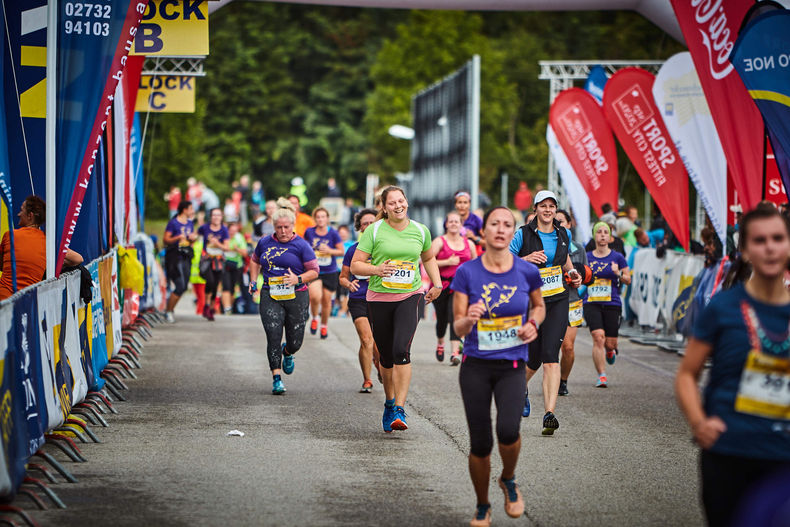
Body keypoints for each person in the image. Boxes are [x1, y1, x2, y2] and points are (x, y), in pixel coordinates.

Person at [675, 205, 790, 527]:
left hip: (783, 456)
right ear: (745, 250)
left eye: (778, 238)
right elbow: (686, 374)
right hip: (729, 451)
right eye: (760, 240)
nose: (770, 248)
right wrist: (699, 423)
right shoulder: (723, 308)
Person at [452, 206, 545, 527]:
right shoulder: (467, 273)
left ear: (512, 232)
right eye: (495, 223)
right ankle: (482, 505)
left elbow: (539, 306)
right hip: (476, 366)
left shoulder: (526, 272)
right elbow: (458, 327)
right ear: (485, 231)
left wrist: (533, 324)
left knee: (508, 431)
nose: (501, 229)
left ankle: (508, 478)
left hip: (512, 365)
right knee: (480, 443)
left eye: (507, 224)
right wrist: (469, 319)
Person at [351, 185, 442, 432]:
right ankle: (390, 403)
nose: (398, 206)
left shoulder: (420, 230)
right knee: (386, 357)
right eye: (392, 203)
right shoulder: (374, 230)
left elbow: (428, 258)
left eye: (401, 201)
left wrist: (437, 284)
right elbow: (356, 265)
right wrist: (377, 269)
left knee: (401, 349)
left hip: (410, 296)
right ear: (384, 207)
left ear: (406, 202)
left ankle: (400, 409)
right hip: (379, 298)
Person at [509, 190, 581, 435]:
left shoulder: (563, 233)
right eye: (543, 206)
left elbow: (565, 260)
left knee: (551, 355)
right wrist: (527, 258)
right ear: (536, 209)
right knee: (533, 358)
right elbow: (505, 261)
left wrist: (573, 273)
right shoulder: (523, 234)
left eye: (552, 206)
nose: (548, 210)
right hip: (530, 301)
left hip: (558, 299)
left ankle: (549, 413)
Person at [248, 198, 319, 394]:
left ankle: (288, 352)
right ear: (274, 227)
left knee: (295, 342)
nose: (283, 231)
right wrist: (253, 281)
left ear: (293, 226)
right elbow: (254, 261)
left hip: (296, 295)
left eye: (286, 227)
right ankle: (276, 378)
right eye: (279, 227)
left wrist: (298, 279)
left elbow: (314, 271)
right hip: (270, 294)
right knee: (273, 336)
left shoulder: (301, 245)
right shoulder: (264, 242)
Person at [0, 196, 83, 300]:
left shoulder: (9, 235)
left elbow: (2, 264)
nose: (18, 214)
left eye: (21, 210)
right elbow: (78, 259)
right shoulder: (48, 242)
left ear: (30, 216)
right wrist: (53, 264)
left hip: (4, 298)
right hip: (29, 302)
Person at [584, 222, 630, 387]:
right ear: (594, 236)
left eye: (605, 232)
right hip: (591, 302)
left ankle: (610, 350)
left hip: (612, 303)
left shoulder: (618, 257)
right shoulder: (586, 257)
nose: (602, 235)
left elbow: (628, 279)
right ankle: (601, 375)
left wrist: (618, 273)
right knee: (598, 337)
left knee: (610, 343)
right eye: (599, 232)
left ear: (610, 237)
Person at [339, 209, 380, 393]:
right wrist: (349, 284)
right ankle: (367, 380)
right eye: (365, 223)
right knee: (366, 339)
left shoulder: (384, 248)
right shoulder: (353, 250)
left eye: (372, 222)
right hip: (359, 299)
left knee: (378, 345)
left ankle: (379, 364)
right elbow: (342, 277)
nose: (369, 226)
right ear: (360, 227)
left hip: (380, 299)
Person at [431, 211, 477, 364]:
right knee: (442, 320)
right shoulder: (439, 242)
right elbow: (426, 261)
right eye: (450, 221)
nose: (453, 224)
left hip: (459, 287)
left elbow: (476, 265)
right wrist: (447, 262)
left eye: (456, 221)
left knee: (455, 316)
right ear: (446, 224)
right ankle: (440, 342)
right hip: (441, 285)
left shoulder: (469, 244)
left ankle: (455, 352)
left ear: (461, 225)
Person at [556, 209, 590, 396]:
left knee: (568, 347)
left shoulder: (579, 249)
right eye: (555, 221)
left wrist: (578, 281)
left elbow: (587, 277)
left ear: (569, 224)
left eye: (562, 221)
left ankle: (563, 380)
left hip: (573, 301)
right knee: (550, 347)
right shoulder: (548, 247)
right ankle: (551, 378)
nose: (558, 225)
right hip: (552, 300)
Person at [304, 207, 344, 339]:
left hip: (330, 271)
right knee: (315, 296)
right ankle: (315, 317)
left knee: (326, 301)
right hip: (314, 270)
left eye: (323, 217)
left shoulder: (333, 233)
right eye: (318, 217)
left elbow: (341, 251)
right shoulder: (309, 232)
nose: (320, 219)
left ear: (327, 219)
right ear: (315, 219)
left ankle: (324, 326)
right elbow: (304, 248)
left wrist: (329, 251)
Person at [163, 201, 198, 323]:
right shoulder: (173, 223)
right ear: (184, 210)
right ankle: (168, 311)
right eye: (191, 208)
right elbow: (165, 239)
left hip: (186, 256)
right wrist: (177, 238)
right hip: (175, 257)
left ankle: (170, 308)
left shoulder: (190, 223)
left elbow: (189, 240)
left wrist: (192, 239)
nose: (193, 211)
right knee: (180, 285)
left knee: (184, 286)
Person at [198, 208, 230, 321]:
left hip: (219, 260)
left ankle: (211, 309)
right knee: (210, 281)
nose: (216, 217)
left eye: (218, 215)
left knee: (215, 284)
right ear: (210, 217)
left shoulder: (224, 229)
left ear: (221, 217)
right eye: (214, 215)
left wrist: (217, 244)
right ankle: (206, 305)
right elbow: (197, 234)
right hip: (207, 259)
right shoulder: (205, 228)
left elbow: (227, 247)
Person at [222, 221, 248, 314]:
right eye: (231, 230)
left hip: (237, 265)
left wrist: (237, 249)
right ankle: (227, 308)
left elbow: (245, 253)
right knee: (226, 286)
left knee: (232, 288)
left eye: (235, 231)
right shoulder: (224, 237)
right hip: (225, 264)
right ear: (228, 230)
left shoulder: (239, 238)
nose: (233, 232)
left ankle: (230, 307)